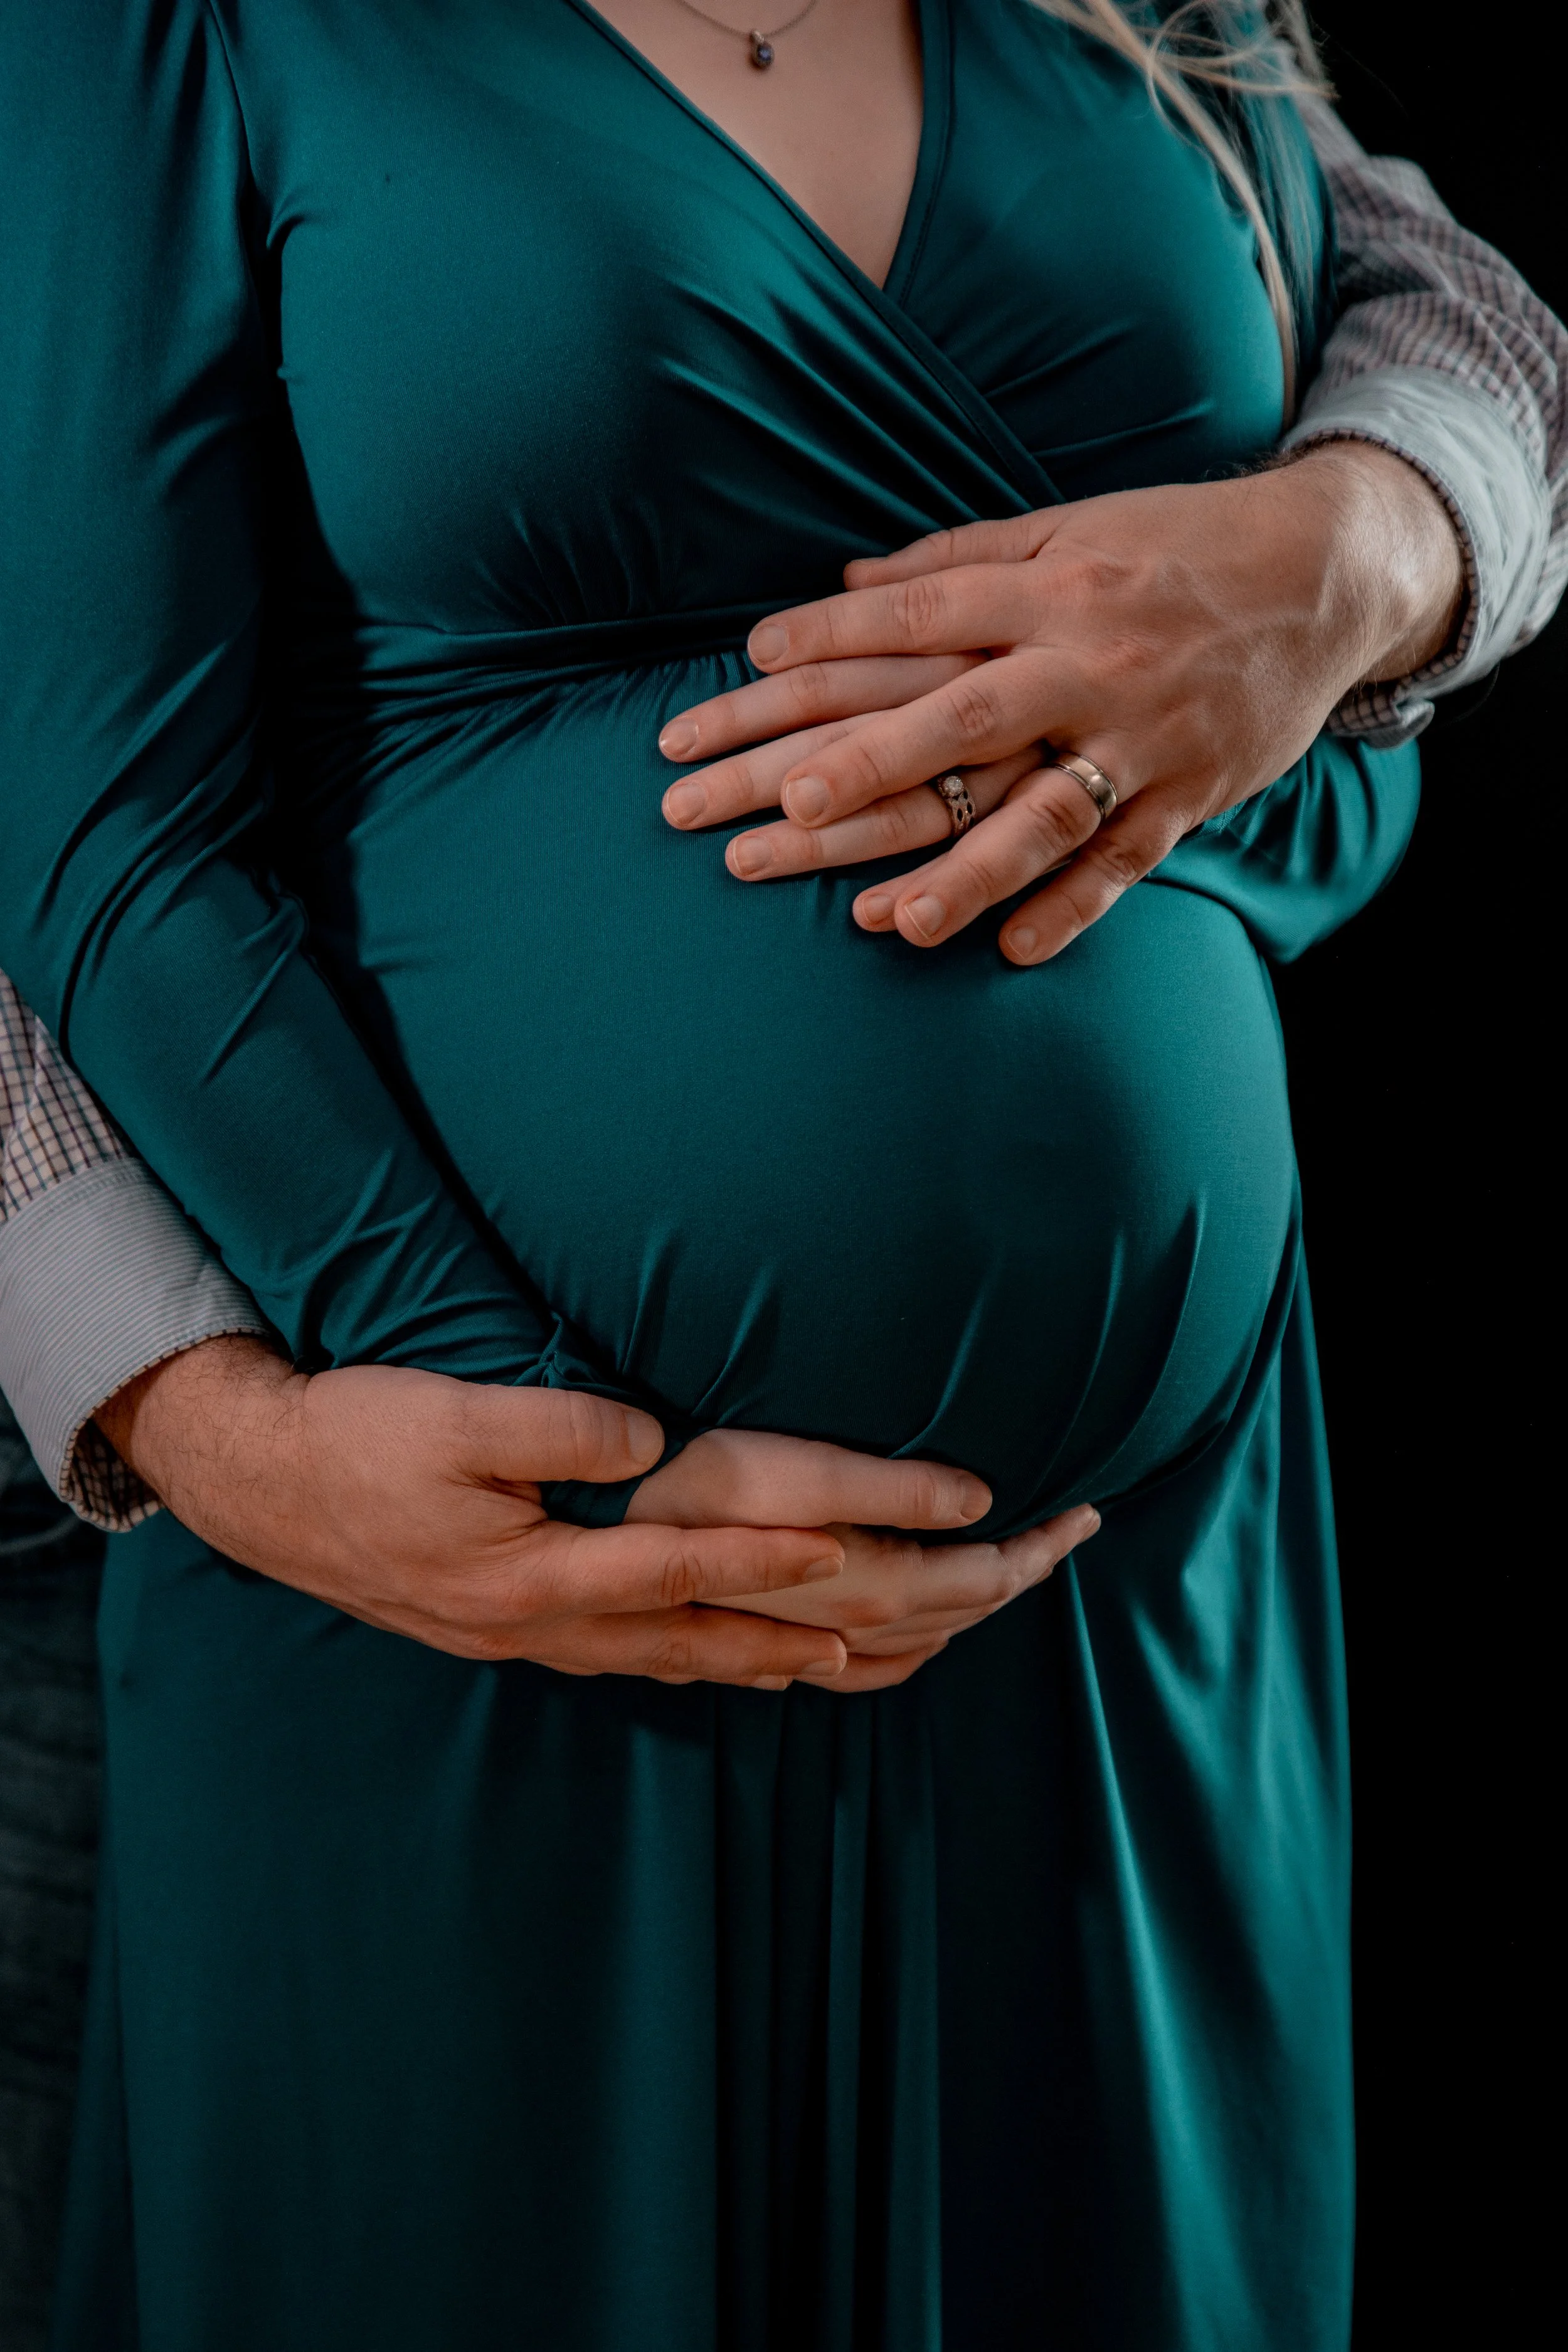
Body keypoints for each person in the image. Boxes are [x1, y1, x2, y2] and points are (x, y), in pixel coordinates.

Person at [0, 3, 1562, 2346]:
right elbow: (95, 818)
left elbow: (1433, 396)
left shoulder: (1156, 19)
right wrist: (482, 1436)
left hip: (1117, 1604)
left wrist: (1355, 564)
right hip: (458, 1571)